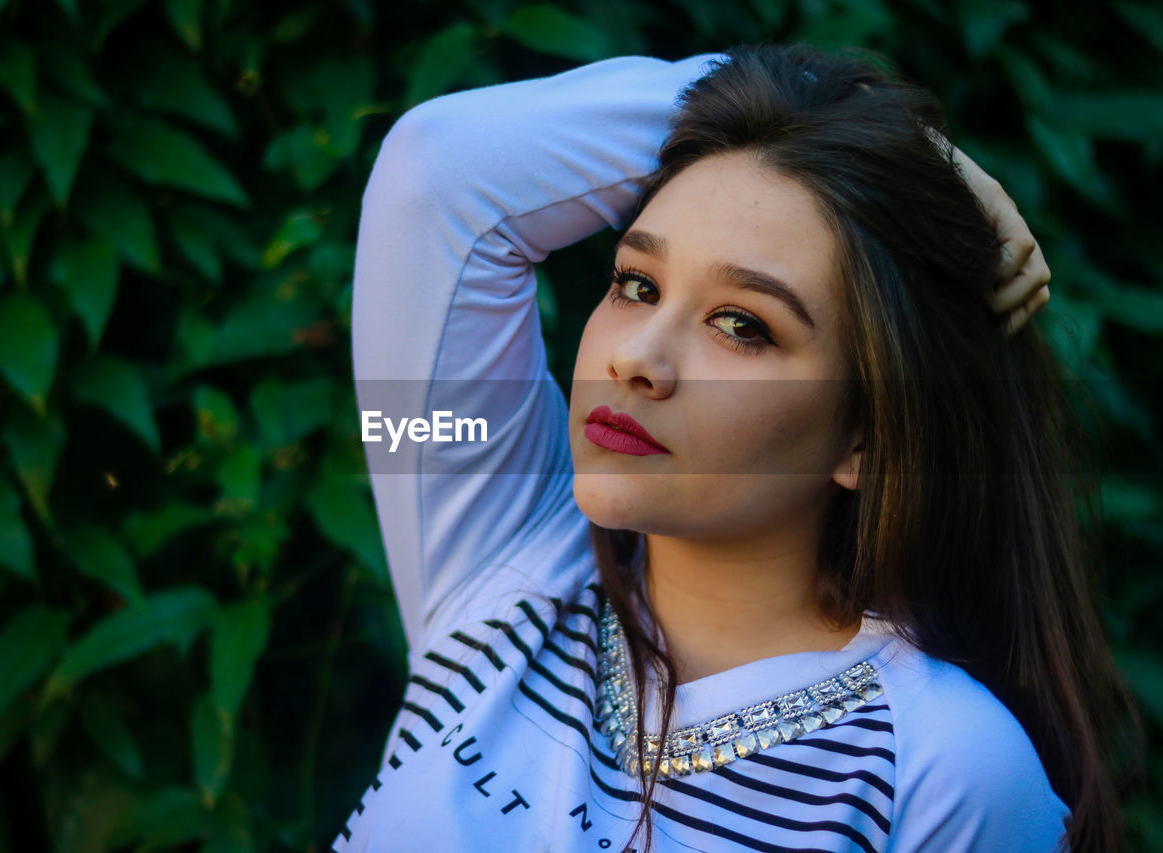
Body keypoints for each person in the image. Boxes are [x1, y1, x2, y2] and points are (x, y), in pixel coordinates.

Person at [337, 43, 1136, 852]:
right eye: (637, 284)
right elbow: (436, 173)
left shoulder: (944, 770)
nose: (638, 358)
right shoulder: (499, 562)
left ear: (867, 434)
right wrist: (852, 119)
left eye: (742, 325)